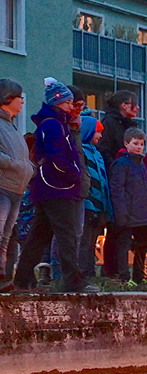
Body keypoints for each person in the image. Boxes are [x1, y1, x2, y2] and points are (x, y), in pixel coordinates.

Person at [14, 78, 96, 293]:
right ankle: (73, 280)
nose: (72, 106)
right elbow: (56, 155)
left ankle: (22, 279)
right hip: (58, 187)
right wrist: (74, 174)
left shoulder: (53, 123)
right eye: (69, 103)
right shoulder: (53, 125)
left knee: (39, 235)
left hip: (50, 187)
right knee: (66, 235)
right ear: (58, 102)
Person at [96, 90, 139, 279]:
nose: (137, 108)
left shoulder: (125, 125)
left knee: (120, 228)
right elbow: (104, 150)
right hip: (115, 180)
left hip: (126, 180)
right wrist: (116, 167)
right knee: (114, 227)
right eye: (134, 105)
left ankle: (114, 271)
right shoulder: (111, 124)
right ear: (124, 106)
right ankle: (110, 271)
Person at [0, 78, 34, 292]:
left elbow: (21, 155)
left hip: (16, 188)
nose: (22, 102)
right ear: (8, 98)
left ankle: (4, 277)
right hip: (3, 185)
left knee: (7, 236)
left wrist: (29, 168)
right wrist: (13, 164)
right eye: (20, 97)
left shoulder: (12, 127)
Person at [109, 127, 147, 283]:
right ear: (126, 143)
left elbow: (146, 191)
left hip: (142, 214)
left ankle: (139, 277)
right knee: (124, 246)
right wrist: (121, 214)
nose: (139, 147)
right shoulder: (121, 164)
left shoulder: (142, 165)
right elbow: (117, 190)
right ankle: (123, 278)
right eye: (135, 143)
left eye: (141, 144)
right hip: (128, 214)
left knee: (142, 247)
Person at [79, 117, 111, 279]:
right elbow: (86, 181)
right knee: (84, 242)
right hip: (87, 205)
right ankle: (83, 274)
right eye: (97, 131)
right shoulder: (82, 152)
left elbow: (102, 182)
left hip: (99, 206)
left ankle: (90, 273)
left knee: (93, 242)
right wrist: (88, 202)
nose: (100, 135)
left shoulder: (97, 153)